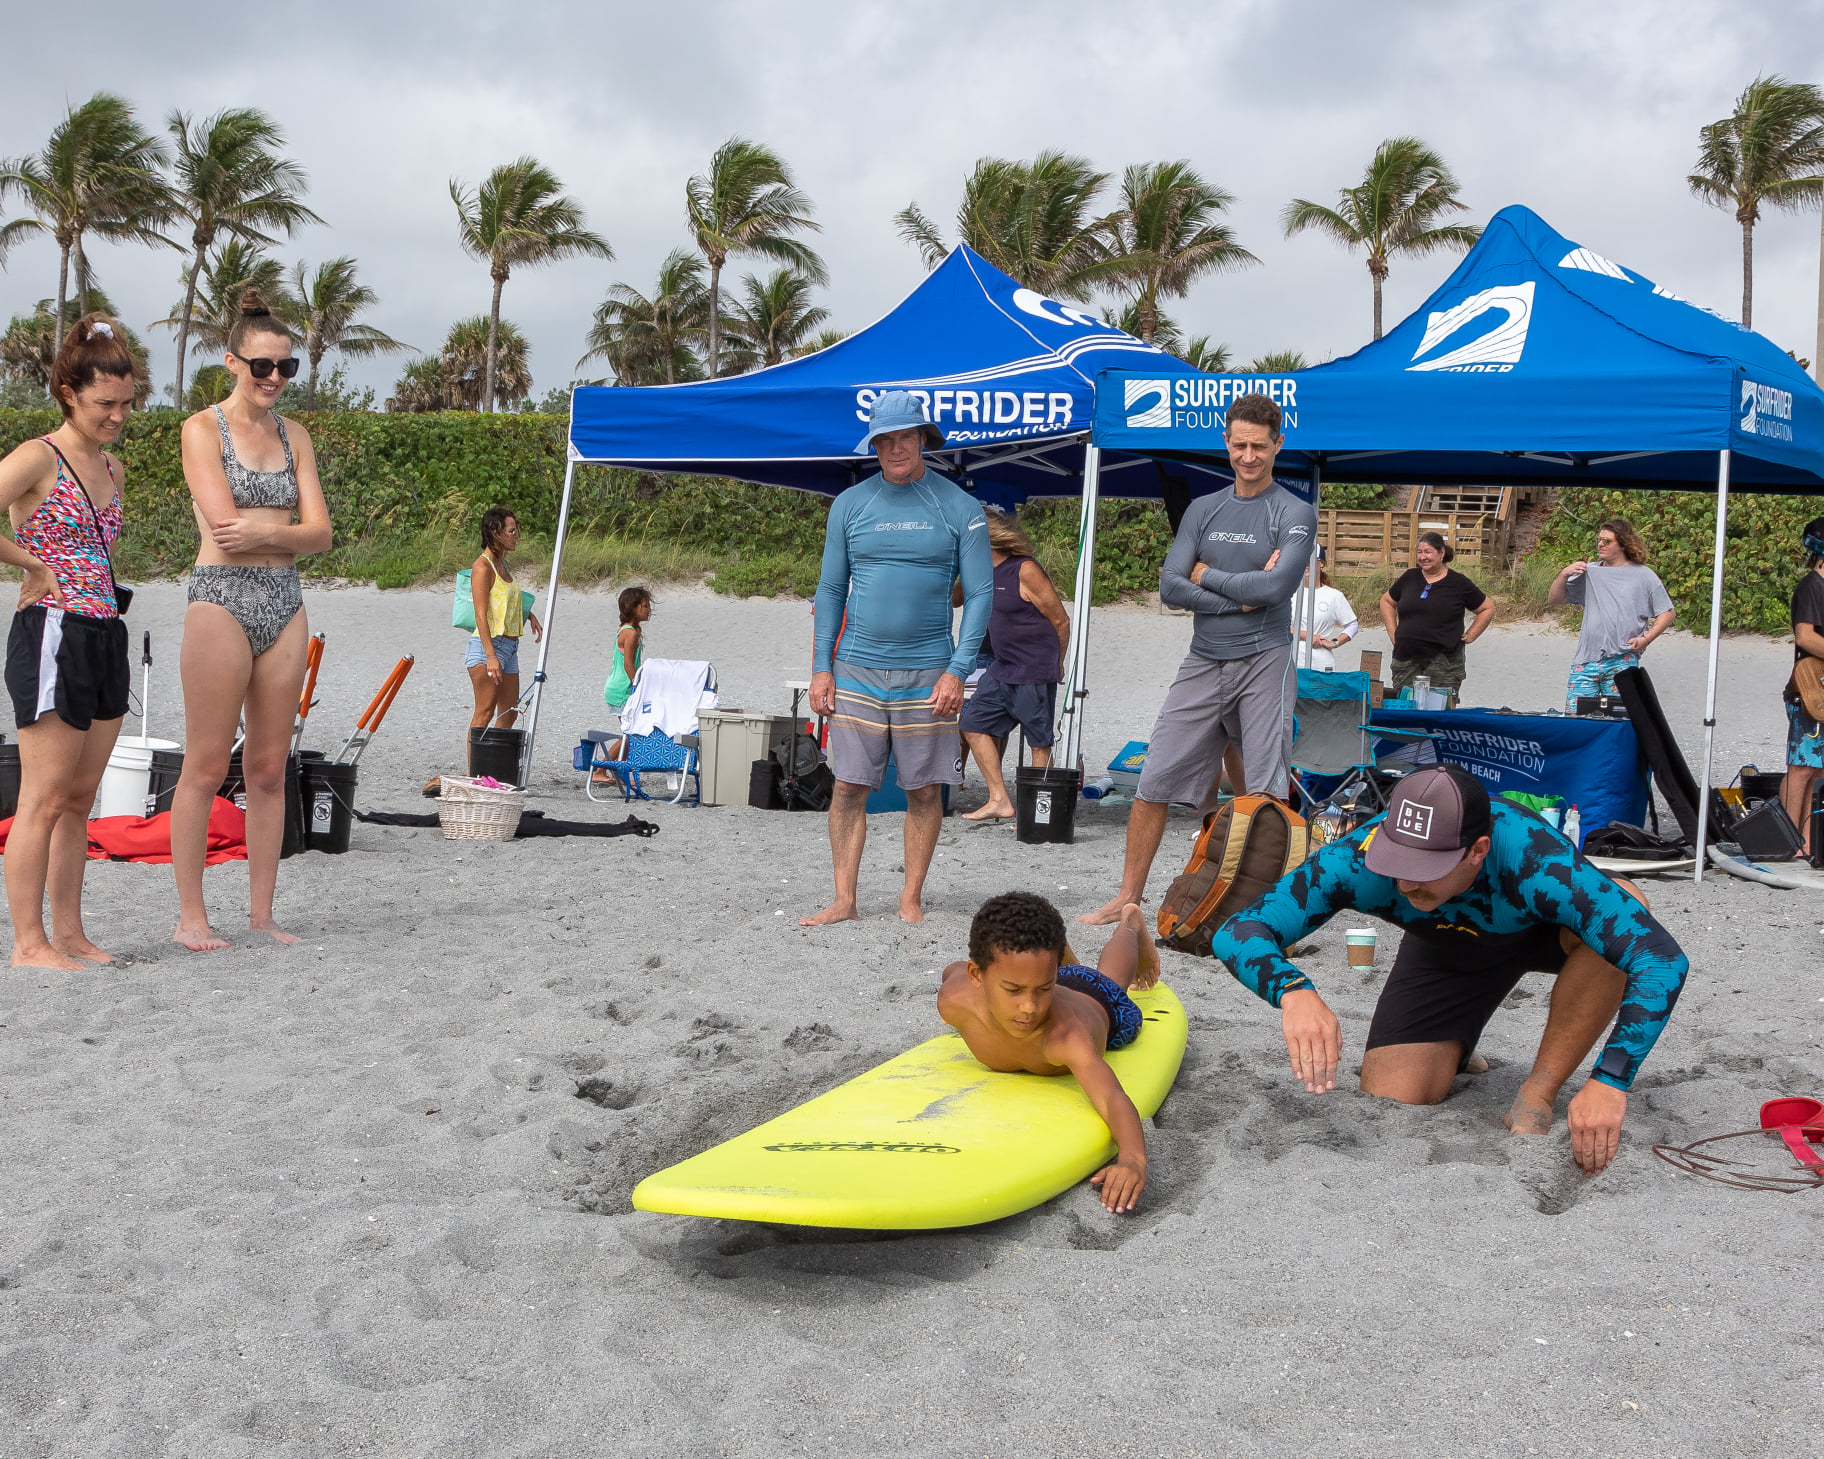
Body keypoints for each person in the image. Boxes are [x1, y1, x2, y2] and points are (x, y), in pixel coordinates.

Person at [1209, 763, 1689, 1176]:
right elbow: (1238, 930)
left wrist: (1610, 1080)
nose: (1406, 879)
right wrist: (1293, 990)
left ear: (1477, 850)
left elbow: (1661, 959)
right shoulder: (1361, 859)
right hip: (1448, 945)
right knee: (1395, 1095)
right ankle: (1457, 1043)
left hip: (1549, 934)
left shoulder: (1537, 860)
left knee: (1627, 909)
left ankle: (1539, 1090)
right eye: (1399, 859)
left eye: (1428, 865)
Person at [1080, 393, 1315, 925]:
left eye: (1259, 446)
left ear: (1279, 445)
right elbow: (1169, 586)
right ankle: (1128, 897)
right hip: (1204, 659)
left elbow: (1277, 587)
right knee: (1154, 778)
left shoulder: (1295, 511)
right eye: (1239, 445)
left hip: (1265, 659)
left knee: (1265, 790)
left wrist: (1206, 574)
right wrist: (1240, 591)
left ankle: (1268, 913)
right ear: (1225, 443)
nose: (1249, 456)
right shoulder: (1204, 508)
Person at [169, 290, 332, 951]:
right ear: (231, 361)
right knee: (206, 765)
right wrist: (287, 530)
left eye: (286, 368)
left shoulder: (297, 436)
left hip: (284, 601)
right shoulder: (202, 428)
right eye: (262, 367)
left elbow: (323, 535)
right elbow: (225, 530)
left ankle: (261, 914)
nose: (273, 379)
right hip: (220, 598)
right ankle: (191, 918)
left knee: (269, 767)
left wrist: (273, 532)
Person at [802, 392, 991, 926]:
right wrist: (821, 666)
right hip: (856, 667)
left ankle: (911, 896)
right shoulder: (850, 504)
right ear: (874, 445)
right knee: (847, 786)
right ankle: (845, 898)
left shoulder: (958, 506)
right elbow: (831, 587)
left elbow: (980, 595)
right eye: (884, 440)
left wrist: (958, 669)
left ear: (923, 439)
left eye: (904, 437)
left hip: (929, 671)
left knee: (925, 789)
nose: (895, 448)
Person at [0, 315, 137, 970]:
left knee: (81, 799)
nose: (117, 414)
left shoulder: (111, 463)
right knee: (43, 798)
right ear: (67, 393)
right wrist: (31, 565)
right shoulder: (38, 456)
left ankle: (72, 933)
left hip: (104, 631)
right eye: (104, 403)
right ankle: (29, 942)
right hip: (51, 628)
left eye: (126, 402)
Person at [939, 892, 1159, 1213]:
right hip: (1045, 973)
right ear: (977, 976)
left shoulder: (1066, 1037)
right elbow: (953, 969)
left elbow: (1111, 1097)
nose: (1029, 1008)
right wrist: (1039, 983)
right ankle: (1057, 963)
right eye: (1012, 992)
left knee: (1111, 978)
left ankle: (1130, 925)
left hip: (1096, 1001)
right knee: (1036, 977)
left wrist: (1133, 1160)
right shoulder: (953, 1001)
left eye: (1041, 992)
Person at [957, 511, 1069, 822]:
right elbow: (953, 599)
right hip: (1002, 667)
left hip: (1033, 669)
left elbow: (1060, 620)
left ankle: (1037, 814)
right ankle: (999, 799)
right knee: (971, 724)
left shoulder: (1025, 569)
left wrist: (1055, 665)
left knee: (1038, 740)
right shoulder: (980, 571)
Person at [1546, 518, 1674, 713]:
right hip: (1586, 660)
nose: (1600, 544)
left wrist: (1646, 639)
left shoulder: (1644, 575)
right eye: (1599, 539)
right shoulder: (1590, 572)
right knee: (1575, 719)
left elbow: (1667, 612)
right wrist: (1563, 575)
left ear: (1623, 543)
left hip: (1622, 659)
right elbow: (1555, 599)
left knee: (1620, 719)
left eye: (1607, 541)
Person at [1378, 531, 1494, 698]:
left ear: (1441, 553)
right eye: (1419, 552)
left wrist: (1471, 635)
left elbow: (1487, 608)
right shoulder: (1410, 577)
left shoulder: (1458, 583)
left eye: (1428, 552)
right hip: (1406, 657)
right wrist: (1392, 631)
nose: (1423, 557)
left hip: (1444, 661)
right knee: (1405, 708)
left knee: (1442, 710)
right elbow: (1387, 601)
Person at [466, 506, 542, 734]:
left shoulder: (503, 564)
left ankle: (492, 765)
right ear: (494, 532)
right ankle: (475, 770)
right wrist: (491, 656)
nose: (516, 535)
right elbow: (480, 614)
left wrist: (528, 615)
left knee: (509, 713)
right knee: (484, 712)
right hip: (487, 647)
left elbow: (502, 600)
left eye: (516, 530)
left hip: (509, 647)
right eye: (511, 531)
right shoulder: (482, 566)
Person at [1781, 516, 1824, 855]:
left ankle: (1809, 843)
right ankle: (1788, 839)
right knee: (1801, 767)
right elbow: (1805, 636)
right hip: (1808, 688)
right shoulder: (1812, 585)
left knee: (1819, 768)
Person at [593, 584, 652, 788]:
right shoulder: (631, 633)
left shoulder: (627, 630)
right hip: (622, 689)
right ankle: (600, 770)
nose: (648, 609)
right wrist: (638, 688)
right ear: (632, 608)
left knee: (632, 731)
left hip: (618, 686)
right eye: (644, 606)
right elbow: (628, 664)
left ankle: (619, 768)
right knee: (631, 732)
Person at [1290, 545, 1359, 671]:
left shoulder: (1334, 596)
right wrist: (1305, 635)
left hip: (1321, 663)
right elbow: (1275, 626)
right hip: (1291, 661)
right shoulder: (1289, 592)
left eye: (1310, 559)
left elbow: (1352, 625)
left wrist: (1335, 642)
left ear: (1321, 563)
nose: (1305, 563)